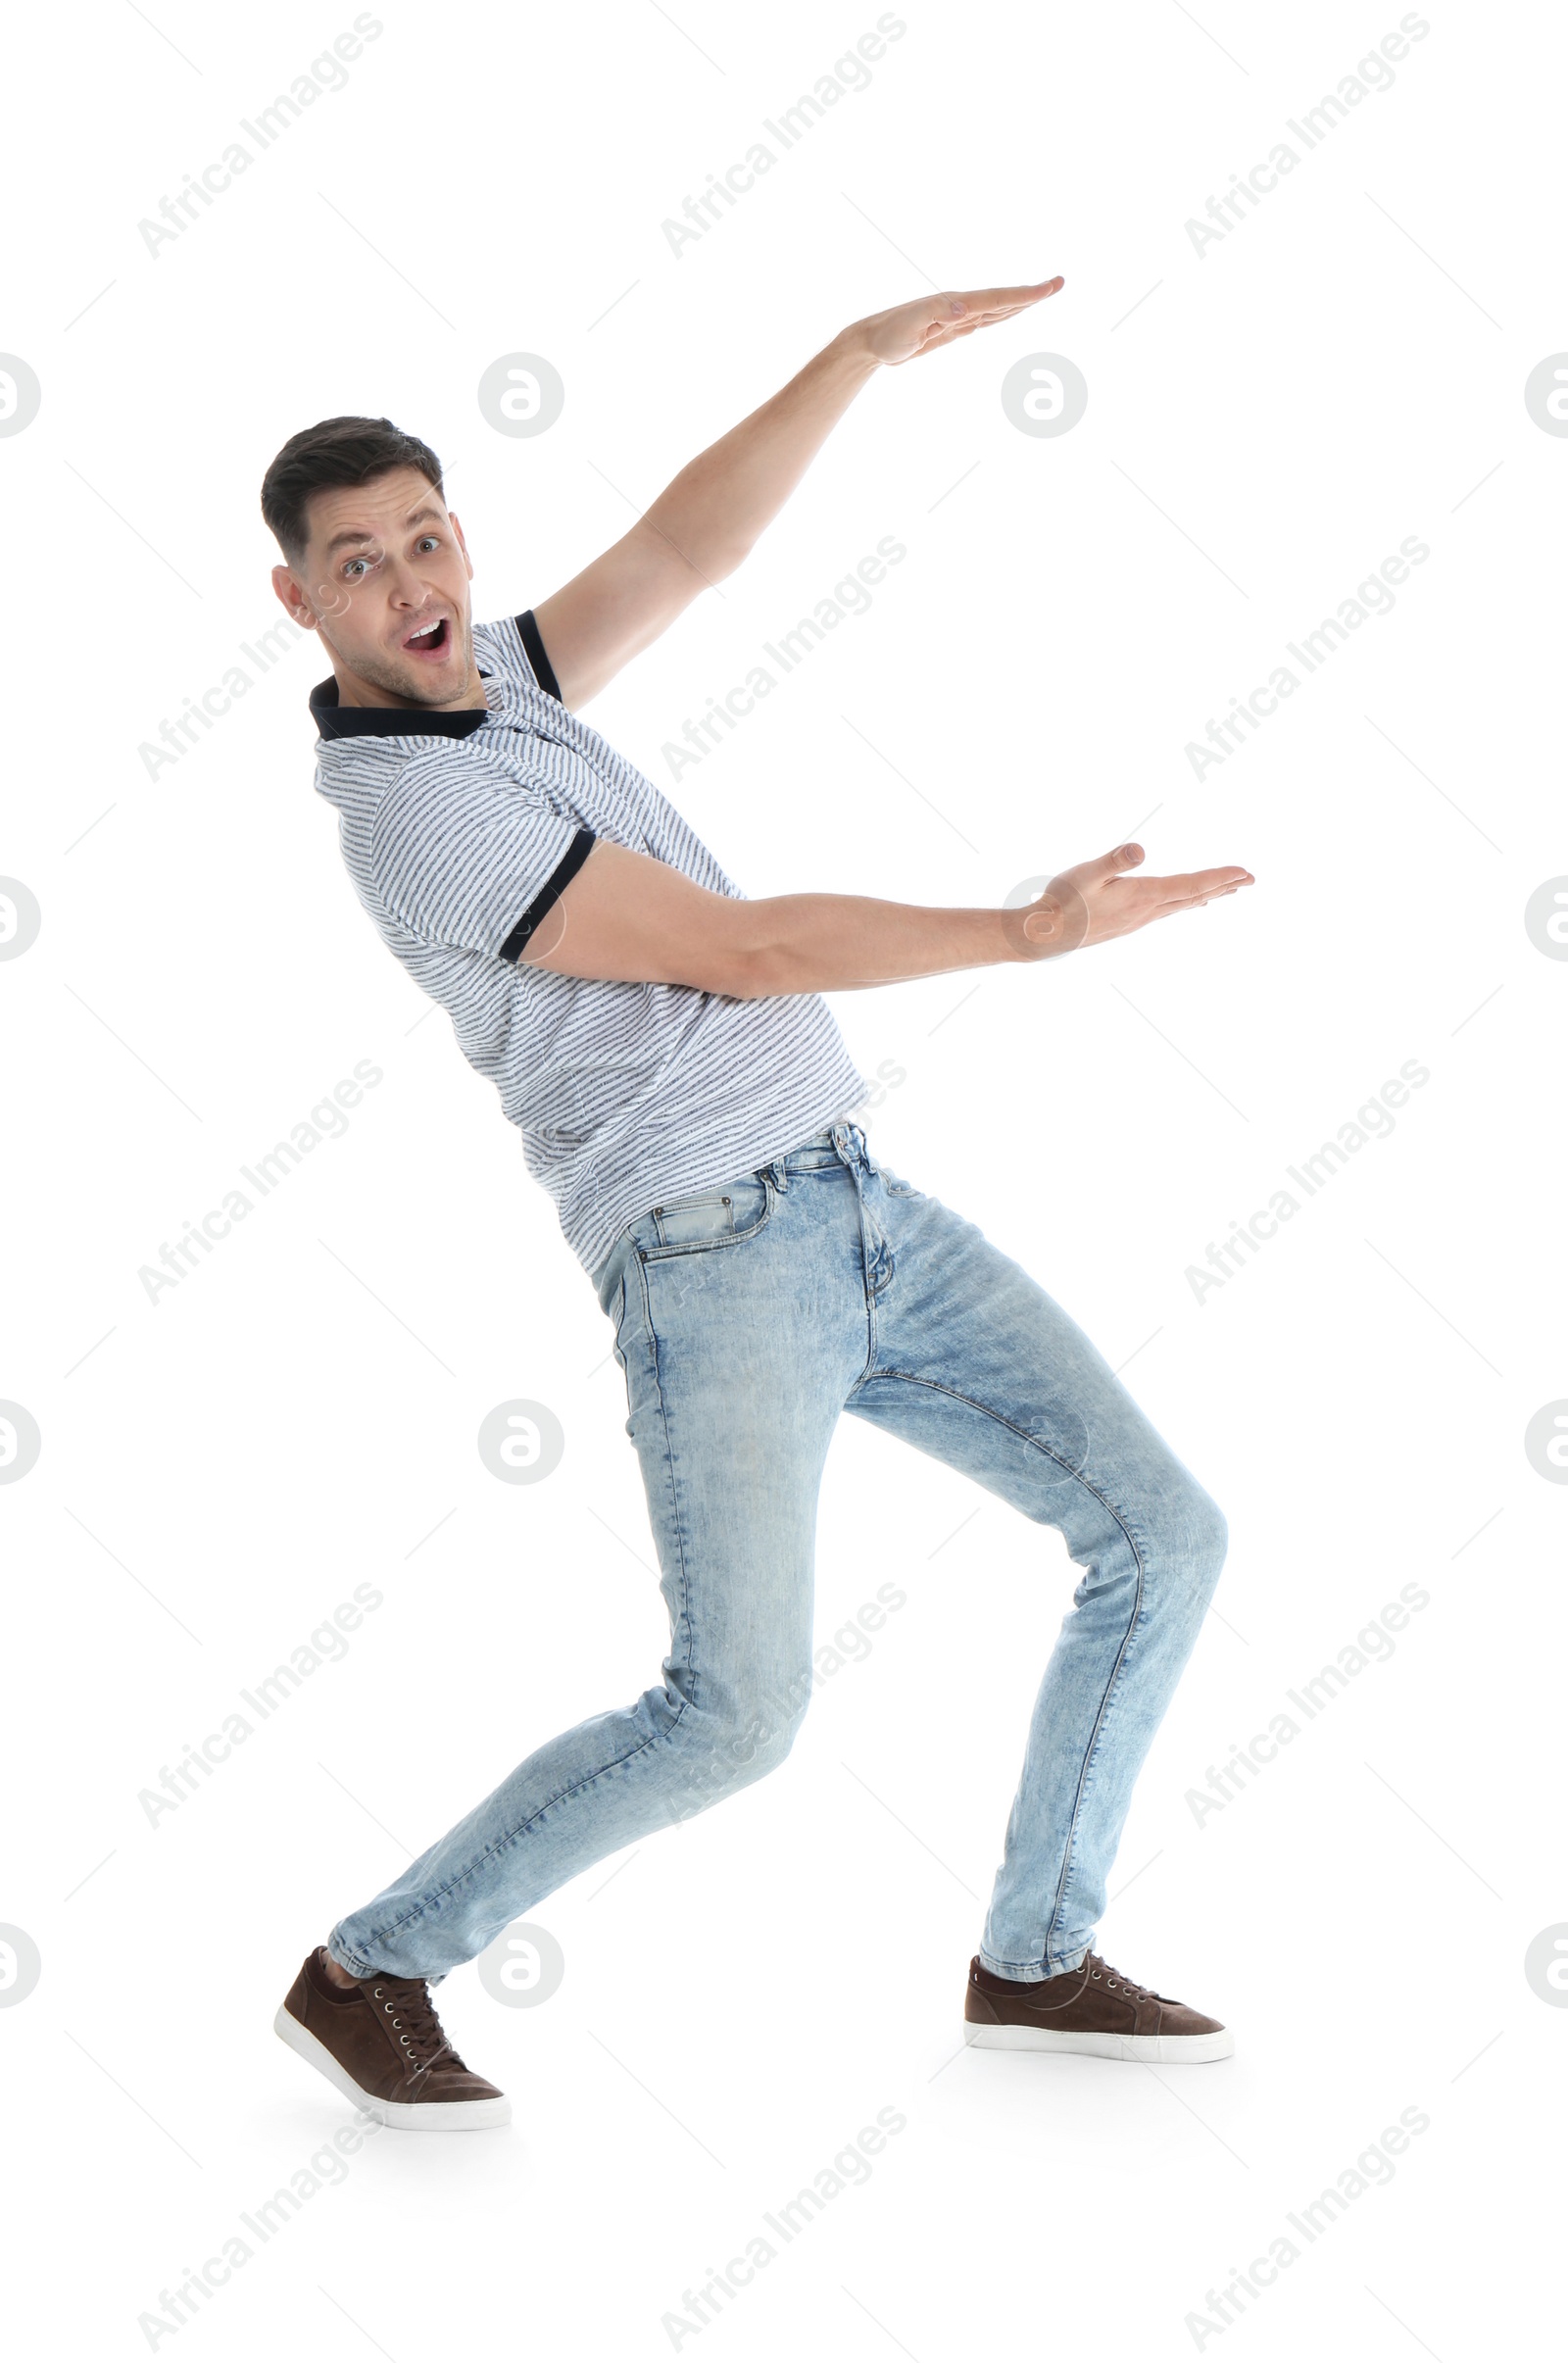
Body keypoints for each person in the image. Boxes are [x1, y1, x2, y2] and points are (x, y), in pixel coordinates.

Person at [262, 276, 1253, 2130]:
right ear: (300, 603)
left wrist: (854, 360)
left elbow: (682, 551)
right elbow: (746, 946)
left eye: (426, 536)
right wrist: (1022, 935)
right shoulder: (414, 809)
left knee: (1163, 1537)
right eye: (356, 562)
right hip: (710, 1262)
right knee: (736, 1714)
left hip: (858, 1211)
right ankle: (371, 1964)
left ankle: (1036, 1956)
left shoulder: (506, 687)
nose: (408, 580)